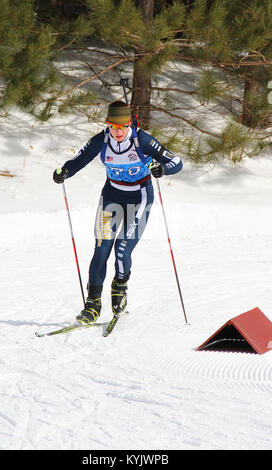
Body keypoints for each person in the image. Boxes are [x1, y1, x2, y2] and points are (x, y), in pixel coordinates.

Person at [53, 101, 183, 324]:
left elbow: (177, 162)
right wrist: (64, 171)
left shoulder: (141, 140)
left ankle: (119, 287)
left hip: (139, 198)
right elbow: (80, 159)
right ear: (108, 125)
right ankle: (92, 305)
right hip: (111, 197)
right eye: (114, 126)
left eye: (123, 126)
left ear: (130, 124)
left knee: (122, 249)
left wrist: (162, 169)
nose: (118, 131)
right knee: (101, 249)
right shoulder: (102, 139)